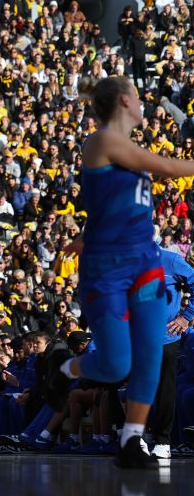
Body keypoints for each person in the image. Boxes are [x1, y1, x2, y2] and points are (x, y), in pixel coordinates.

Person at [61, 76, 194, 468]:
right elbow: (170, 167)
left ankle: (132, 441)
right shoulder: (102, 141)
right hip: (108, 270)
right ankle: (64, 369)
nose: (142, 104)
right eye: (137, 98)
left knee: (152, 350)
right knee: (118, 363)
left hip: (145, 262)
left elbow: (109, 206)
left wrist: (88, 236)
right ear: (124, 101)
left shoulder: (124, 150)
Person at [149, 249, 194, 460]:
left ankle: (162, 441)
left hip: (166, 336)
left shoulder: (171, 260)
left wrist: (186, 317)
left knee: (165, 388)